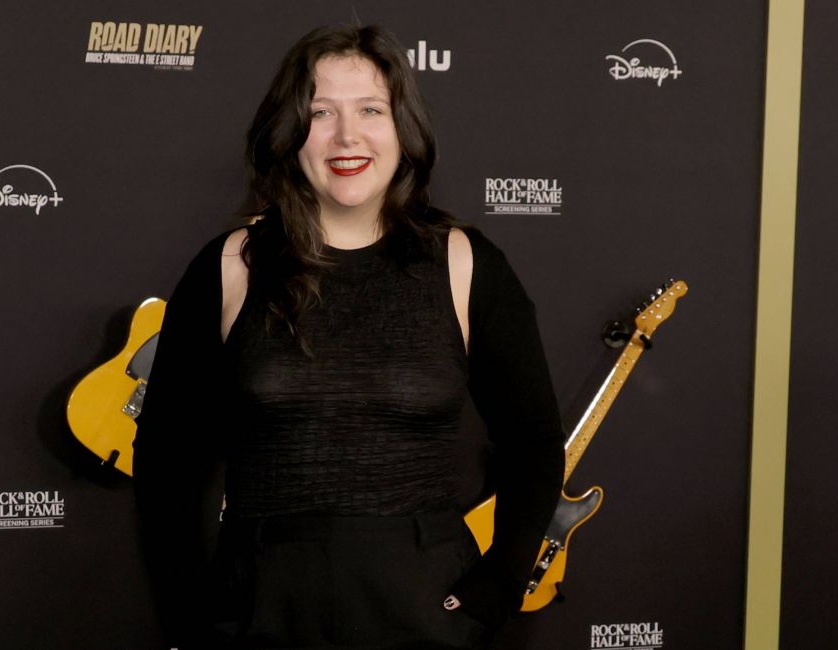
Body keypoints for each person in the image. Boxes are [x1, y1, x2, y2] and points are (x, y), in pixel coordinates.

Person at [133, 24, 565, 650]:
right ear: (289, 134)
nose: (347, 136)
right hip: (259, 608)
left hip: (427, 608)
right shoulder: (230, 265)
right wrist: (188, 615)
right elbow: (167, 463)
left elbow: (533, 443)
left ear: (403, 129)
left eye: (370, 110)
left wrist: (497, 587)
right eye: (320, 113)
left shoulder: (468, 264)